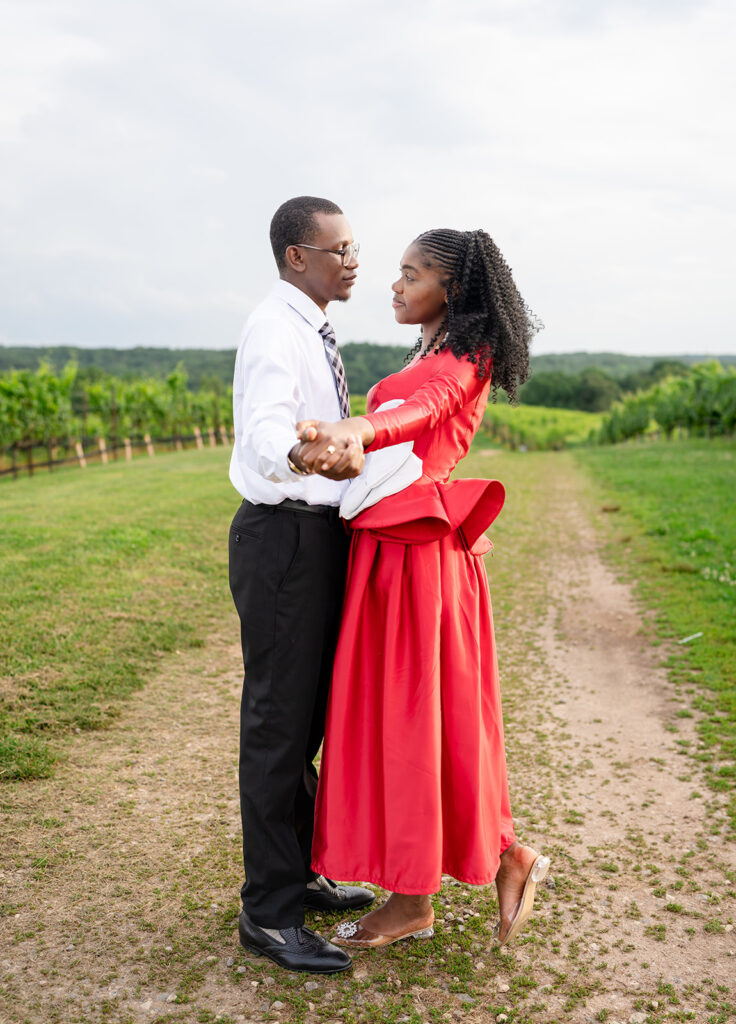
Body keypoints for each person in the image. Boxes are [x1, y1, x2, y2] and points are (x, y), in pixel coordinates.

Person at [297, 227, 550, 949]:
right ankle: (504, 859)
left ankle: (415, 901)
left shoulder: (467, 358)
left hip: (420, 560)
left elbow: (424, 411)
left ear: (455, 288)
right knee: (419, 719)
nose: (396, 286)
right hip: (388, 555)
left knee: (415, 720)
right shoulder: (434, 349)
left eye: (412, 275)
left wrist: (362, 427)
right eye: (398, 273)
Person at [228, 195, 374, 975]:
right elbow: (264, 432)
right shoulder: (274, 329)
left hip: (317, 537)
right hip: (282, 535)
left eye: (355, 248)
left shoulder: (312, 328)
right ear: (296, 256)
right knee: (279, 728)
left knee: (310, 720)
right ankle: (269, 913)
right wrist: (308, 455)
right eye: (339, 249)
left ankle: (301, 871)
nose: (353, 260)